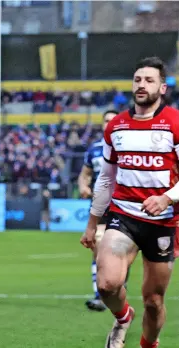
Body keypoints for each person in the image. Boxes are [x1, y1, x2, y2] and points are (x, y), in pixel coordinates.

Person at [81, 57, 179, 348]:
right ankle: (123, 317)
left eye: (149, 80)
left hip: (163, 222)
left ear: (162, 88)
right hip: (122, 216)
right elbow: (106, 180)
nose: (141, 85)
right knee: (107, 285)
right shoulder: (117, 126)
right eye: (137, 79)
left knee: (153, 301)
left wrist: (167, 198)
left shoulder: (175, 123)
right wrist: (93, 223)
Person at [77, 109, 121, 311]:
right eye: (106, 121)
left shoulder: (128, 147)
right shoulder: (94, 149)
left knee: (119, 250)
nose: (108, 123)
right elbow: (84, 174)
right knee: (98, 247)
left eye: (113, 120)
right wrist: (83, 187)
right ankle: (100, 294)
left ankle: (116, 288)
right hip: (99, 205)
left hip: (123, 205)